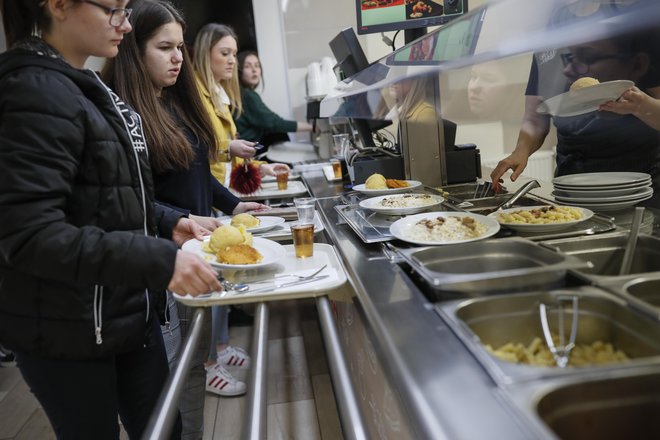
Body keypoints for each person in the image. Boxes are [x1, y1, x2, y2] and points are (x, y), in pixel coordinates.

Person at [0, 0, 223, 438]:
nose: (124, 22)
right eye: (113, 10)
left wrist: (166, 224)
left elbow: (105, 198)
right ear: (60, 5)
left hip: (126, 313)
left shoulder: (85, 85)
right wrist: (158, 260)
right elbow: (30, 235)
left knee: (164, 429)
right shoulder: (31, 89)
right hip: (69, 329)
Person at [102, 1, 262, 437]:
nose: (177, 58)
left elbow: (194, 171)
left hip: (193, 250)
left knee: (191, 370)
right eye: (164, 47)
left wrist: (231, 206)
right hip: (162, 266)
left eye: (180, 47)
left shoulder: (172, 102)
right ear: (135, 50)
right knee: (169, 381)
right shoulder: (123, 115)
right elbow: (131, 201)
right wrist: (181, 218)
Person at [490, 29, 660, 207]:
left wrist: (642, 106)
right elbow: (535, 118)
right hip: (572, 183)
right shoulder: (546, 47)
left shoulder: (641, 33)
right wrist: (521, 152)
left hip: (637, 185)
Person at [192, 24, 289, 188]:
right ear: (205, 54)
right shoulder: (194, 95)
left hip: (224, 193)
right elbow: (195, 150)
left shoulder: (220, 95)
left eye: (234, 54)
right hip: (209, 194)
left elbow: (230, 160)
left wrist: (261, 168)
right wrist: (229, 148)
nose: (232, 60)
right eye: (225, 53)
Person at [235, 50, 313, 149]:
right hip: (249, 149)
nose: (254, 70)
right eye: (247, 66)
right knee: (278, 135)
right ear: (238, 71)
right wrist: (312, 127)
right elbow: (274, 123)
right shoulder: (247, 95)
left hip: (248, 146)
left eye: (257, 65)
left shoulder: (243, 94)